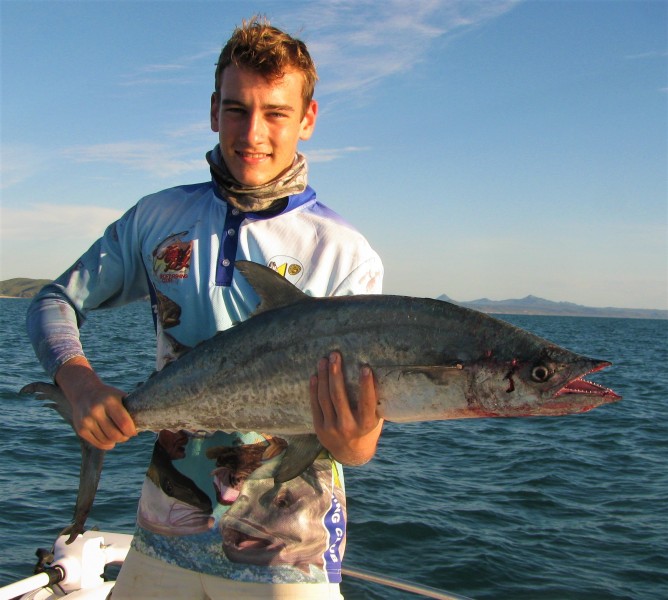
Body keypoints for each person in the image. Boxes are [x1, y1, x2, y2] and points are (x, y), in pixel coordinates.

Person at [26, 16, 384, 600]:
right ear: (214, 111)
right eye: (237, 109)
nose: (253, 133)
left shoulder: (344, 253)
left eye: (276, 113)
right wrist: (80, 382)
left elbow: (357, 448)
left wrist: (355, 439)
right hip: (163, 533)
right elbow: (54, 300)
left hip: (286, 559)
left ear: (308, 119)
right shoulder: (157, 218)